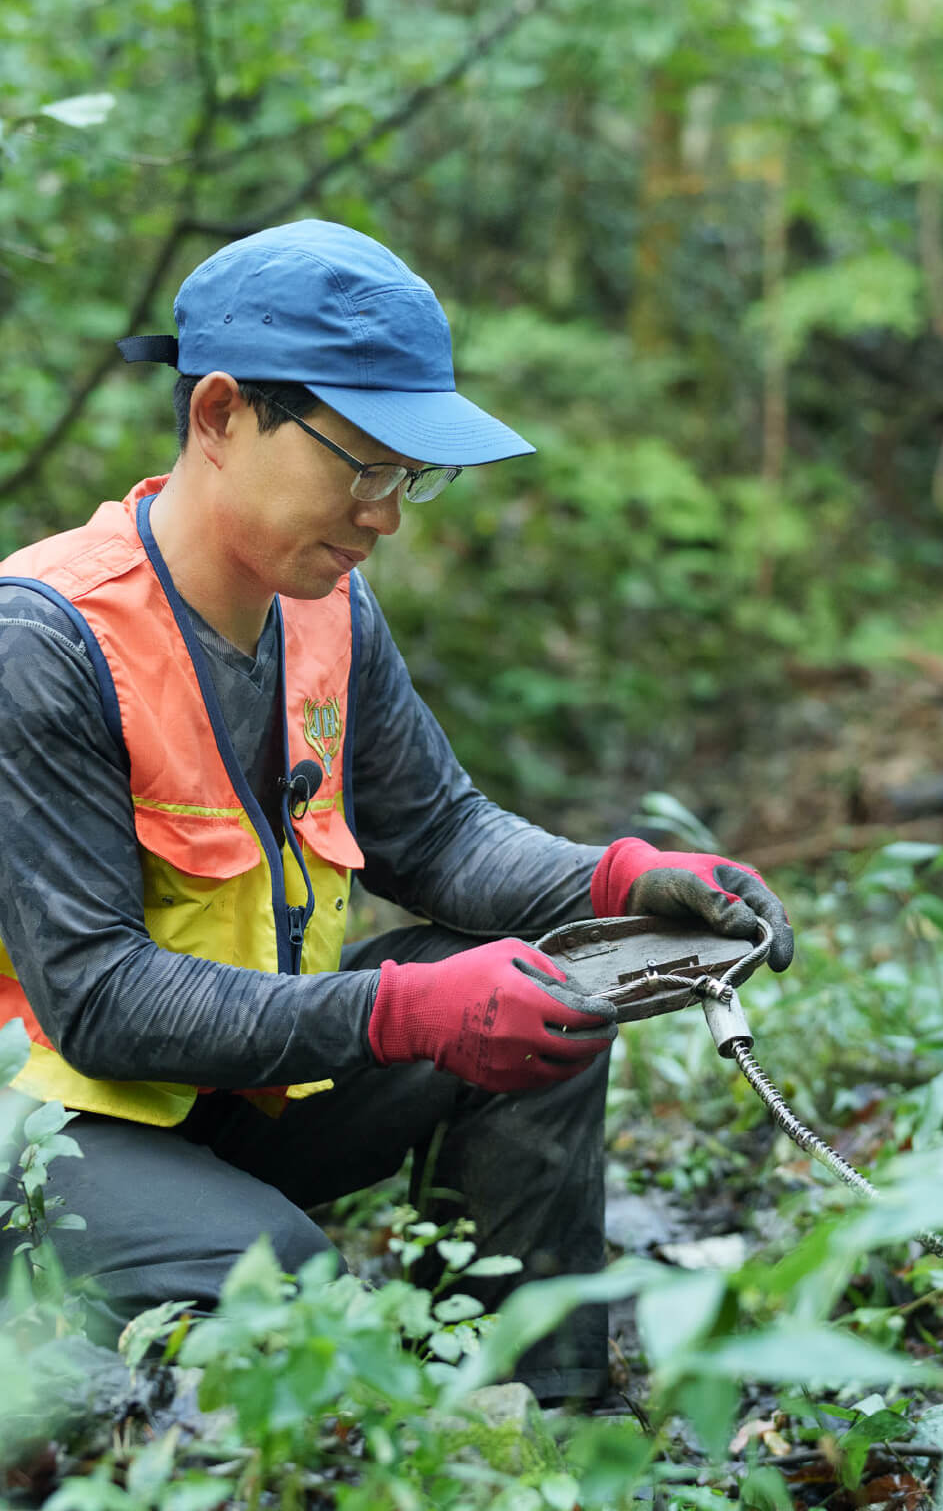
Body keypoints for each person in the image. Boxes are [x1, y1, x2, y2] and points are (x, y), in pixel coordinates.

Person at [0, 220, 793, 1402]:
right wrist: (401, 1008)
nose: (388, 513)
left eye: (407, 473)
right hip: (47, 1128)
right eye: (361, 464)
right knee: (295, 1296)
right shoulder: (42, 639)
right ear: (219, 414)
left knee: (549, 990)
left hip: (231, 1095)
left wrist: (621, 884)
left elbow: (439, 836)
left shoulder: (326, 608)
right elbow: (101, 999)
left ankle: (545, 1411)